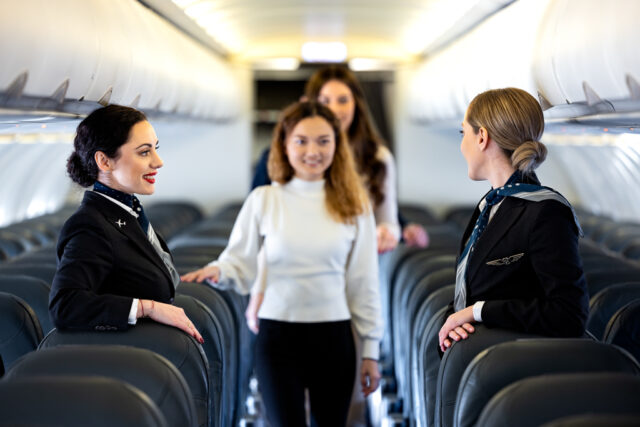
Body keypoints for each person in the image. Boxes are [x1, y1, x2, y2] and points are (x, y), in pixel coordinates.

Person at [181, 101, 383, 427]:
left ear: (337, 146)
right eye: (301, 141)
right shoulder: (264, 199)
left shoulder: (355, 204)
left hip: (334, 335)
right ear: (284, 145)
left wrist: (371, 349)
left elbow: (364, 282)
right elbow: (239, 260)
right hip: (278, 336)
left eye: (323, 141)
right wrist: (219, 270)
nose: (313, 151)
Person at [438, 88, 589, 352]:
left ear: (482, 137)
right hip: (474, 360)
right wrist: (452, 323)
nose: (462, 145)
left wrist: (479, 312)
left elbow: (568, 315)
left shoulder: (546, 212)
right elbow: (469, 291)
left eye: (464, 133)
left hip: (519, 365)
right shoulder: (489, 205)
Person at [49, 105, 203, 344]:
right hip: (124, 357)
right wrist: (147, 308)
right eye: (144, 152)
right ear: (104, 161)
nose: (158, 162)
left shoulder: (129, 212)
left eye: (155, 149)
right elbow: (65, 306)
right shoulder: (90, 225)